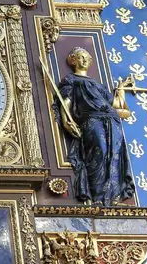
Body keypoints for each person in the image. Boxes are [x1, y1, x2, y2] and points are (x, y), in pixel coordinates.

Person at [56, 47, 135, 205]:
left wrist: (121, 88)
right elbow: (66, 101)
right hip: (92, 119)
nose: (84, 60)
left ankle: (114, 196)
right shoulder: (71, 80)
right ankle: (98, 196)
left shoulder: (98, 85)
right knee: (99, 151)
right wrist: (66, 121)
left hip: (112, 119)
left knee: (114, 154)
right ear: (73, 60)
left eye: (86, 57)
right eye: (80, 57)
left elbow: (115, 104)